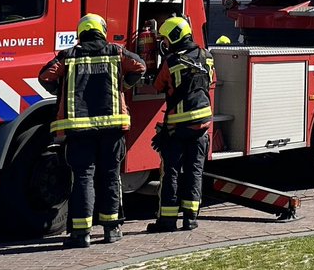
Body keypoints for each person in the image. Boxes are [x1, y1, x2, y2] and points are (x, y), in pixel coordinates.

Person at [38, 13, 145, 249]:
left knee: (83, 179)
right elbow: (140, 66)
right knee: (109, 176)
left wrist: (62, 89)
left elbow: (45, 76)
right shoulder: (116, 52)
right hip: (112, 128)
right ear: (102, 30)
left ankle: (81, 233)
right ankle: (111, 230)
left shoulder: (69, 56)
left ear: (81, 32)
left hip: (79, 129)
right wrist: (124, 85)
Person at [147, 16, 215, 233]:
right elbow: (211, 81)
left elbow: (158, 85)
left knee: (172, 172)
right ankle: (190, 219)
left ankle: (167, 221)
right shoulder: (207, 56)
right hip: (202, 125)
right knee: (195, 171)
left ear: (175, 37)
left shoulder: (172, 61)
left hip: (177, 128)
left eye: (166, 40)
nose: (164, 44)